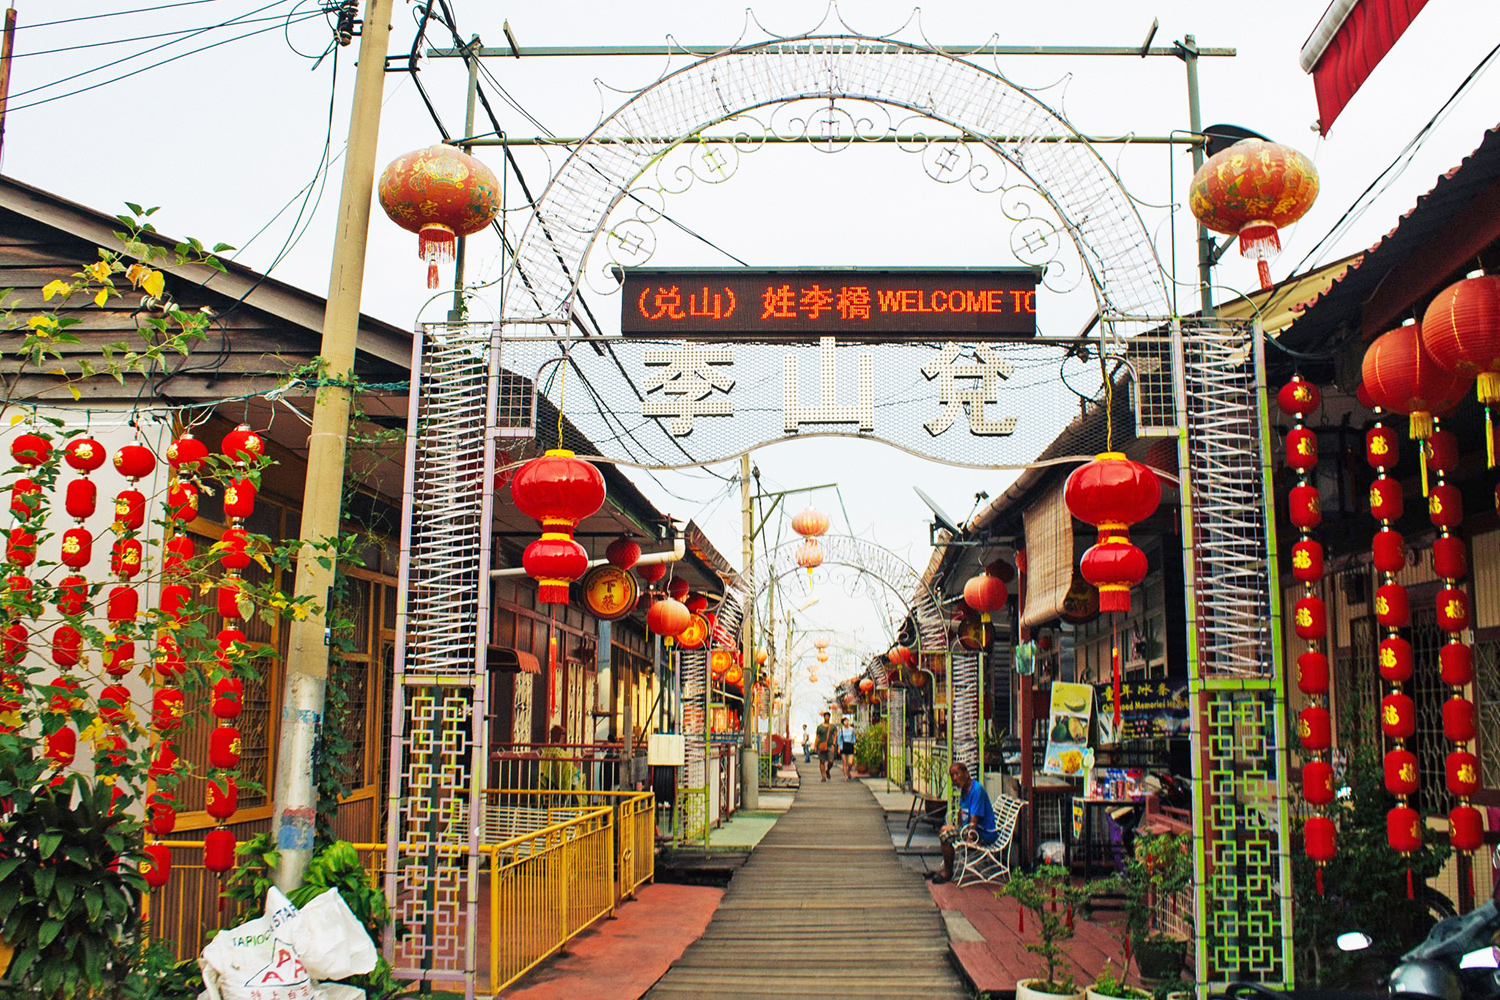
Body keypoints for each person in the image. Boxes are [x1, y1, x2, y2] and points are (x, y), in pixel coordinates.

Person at [929, 761, 996, 885]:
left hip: (981, 833)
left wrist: (969, 838)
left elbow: (974, 818)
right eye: (951, 776)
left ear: (966, 774)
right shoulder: (964, 790)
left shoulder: (977, 790)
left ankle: (948, 873)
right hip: (970, 829)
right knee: (944, 829)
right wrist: (957, 828)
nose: (954, 778)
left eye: (956, 774)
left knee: (946, 836)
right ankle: (946, 868)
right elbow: (962, 812)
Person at [814, 711, 835, 781]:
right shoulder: (820, 727)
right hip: (822, 745)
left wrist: (833, 745)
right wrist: (815, 746)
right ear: (824, 717)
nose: (827, 718)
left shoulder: (832, 727)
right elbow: (817, 737)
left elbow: (835, 735)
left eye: (828, 716)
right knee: (822, 761)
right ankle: (823, 776)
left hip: (829, 746)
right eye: (826, 716)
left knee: (831, 761)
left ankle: (828, 770)